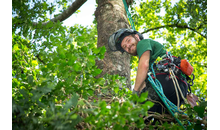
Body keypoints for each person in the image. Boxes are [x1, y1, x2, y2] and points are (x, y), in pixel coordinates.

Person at [108, 28, 189, 123]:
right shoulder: (151, 60)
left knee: (137, 116)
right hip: (177, 90)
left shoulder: (143, 43)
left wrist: (135, 92)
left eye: (128, 40)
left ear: (137, 37)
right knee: (156, 124)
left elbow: (144, 65)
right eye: (125, 47)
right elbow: (144, 84)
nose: (128, 46)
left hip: (167, 82)